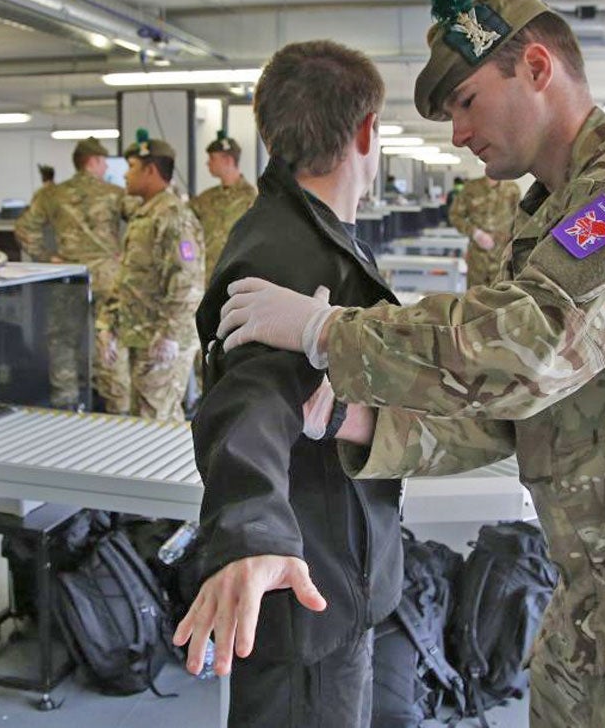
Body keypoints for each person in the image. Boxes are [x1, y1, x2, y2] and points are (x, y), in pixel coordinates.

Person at [212, 0, 605, 727]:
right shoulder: (546, 226)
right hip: (593, 618)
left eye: (465, 100)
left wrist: (327, 331)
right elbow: (513, 410)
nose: (458, 132)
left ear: (534, 66)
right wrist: (363, 423)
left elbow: (536, 344)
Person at [172, 40, 403, 728]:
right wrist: (254, 531)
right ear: (366, 132)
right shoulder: (285, 252)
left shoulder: (319, 234)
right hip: (305, 597)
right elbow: (247, 404)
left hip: (334, 579)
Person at [14, 137, 133, 414]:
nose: (105, 167)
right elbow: (143, 223)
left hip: (69, 276)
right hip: (109, 278)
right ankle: (117, 405)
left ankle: (65, 402)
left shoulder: (52, 195)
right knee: (110, 337)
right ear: (92, 161)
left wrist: (46, 257)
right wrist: (125, 254)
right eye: (103, 162)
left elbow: (24, 228)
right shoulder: (115, 193)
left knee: (63, 340)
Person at [96, 130, 204, 422]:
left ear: (151, 170)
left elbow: (188, 283)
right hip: (143, 335)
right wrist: (109, 324)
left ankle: (169, 470)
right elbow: (130, 279)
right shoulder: (145, 215)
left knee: (155, 419)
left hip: (164, 339)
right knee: (152, 416)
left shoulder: (172, 216)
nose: (125, 176)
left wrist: (168, 335)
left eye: (131, 167)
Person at [190, 130, 257, 280]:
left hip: (236, 279)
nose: (208, 163)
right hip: (206, 278)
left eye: (212, 158)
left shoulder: (252, 198)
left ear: (228, 160)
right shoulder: (206, 198)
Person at [447, 173, 520, 287]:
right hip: (477, 257)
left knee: (501, 298)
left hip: (502, 256)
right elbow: (455, 216)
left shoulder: (512, 189)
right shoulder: (470, 188)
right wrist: (475, 233)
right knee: (475, 297)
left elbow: (519, 219)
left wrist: (514, 243)